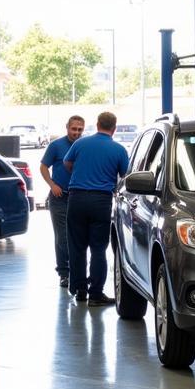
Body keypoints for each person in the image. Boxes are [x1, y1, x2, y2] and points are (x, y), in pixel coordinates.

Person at [64, 111, 130, 306]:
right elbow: (125, 176)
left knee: (77, 247)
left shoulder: (80, 144)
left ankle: (79, 290)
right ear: (114, 128)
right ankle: (95, 294)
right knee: (99, 249)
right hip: (101, 201)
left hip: (76, 199)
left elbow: (67, 163)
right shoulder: (118, 149)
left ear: (97, 124)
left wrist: (81, 171)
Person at [40, 115, 85, 288]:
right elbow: (43, 167)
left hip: (78, 197)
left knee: (78, 235)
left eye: (80, 129)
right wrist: (52, 185)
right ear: (67, 127)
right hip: (59, 198)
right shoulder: (56, 146)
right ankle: (65, 273)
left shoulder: (84, 146)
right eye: (74, 129)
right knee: (62, 236)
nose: (76, 132)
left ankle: (78, 271)